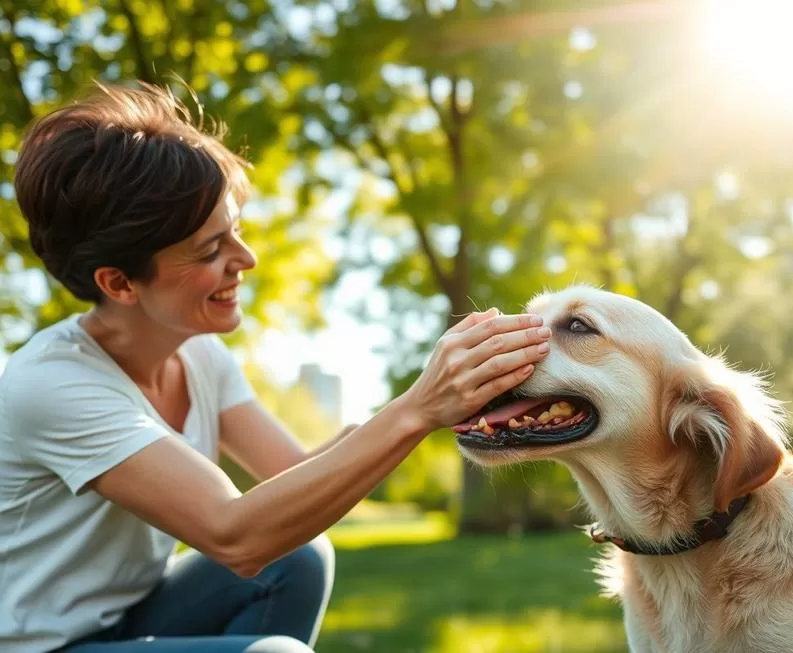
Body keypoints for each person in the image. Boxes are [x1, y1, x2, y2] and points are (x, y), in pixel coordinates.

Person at [0, 82, 552, 653]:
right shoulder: (54, 383)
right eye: (210, 250)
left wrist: (435, 402)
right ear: (119, 282)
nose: (246, 259)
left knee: (299, 557)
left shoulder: (200, 355)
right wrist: (417, 409)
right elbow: (235, 535)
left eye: (235, 230)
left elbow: (295, 476)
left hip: (134, 615)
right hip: (38, 647)